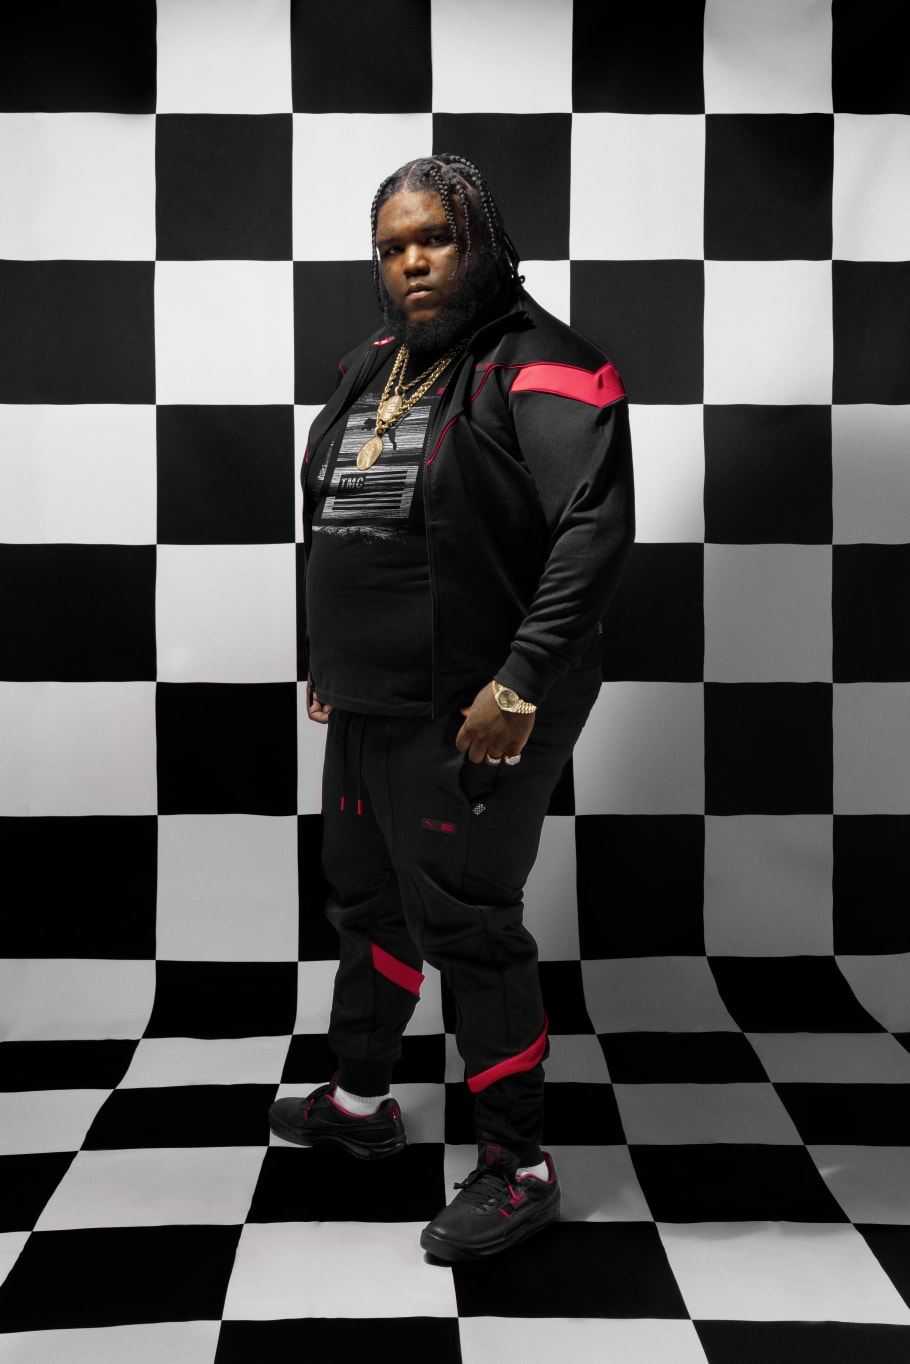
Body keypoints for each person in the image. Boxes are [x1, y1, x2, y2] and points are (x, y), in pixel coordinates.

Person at [269, 154, 634, 1261]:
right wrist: (327, 656)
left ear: (482, 242)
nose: (413, 262)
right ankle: (361, 1101)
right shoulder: (369, 363)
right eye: (393, 246)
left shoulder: (546, 362)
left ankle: (518, 1165)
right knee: (365, 898)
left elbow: (591, 529)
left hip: (483, 698)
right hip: (372, 695)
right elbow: (336, 518)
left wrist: (519, 681)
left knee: (466, 919)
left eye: (434, 237)